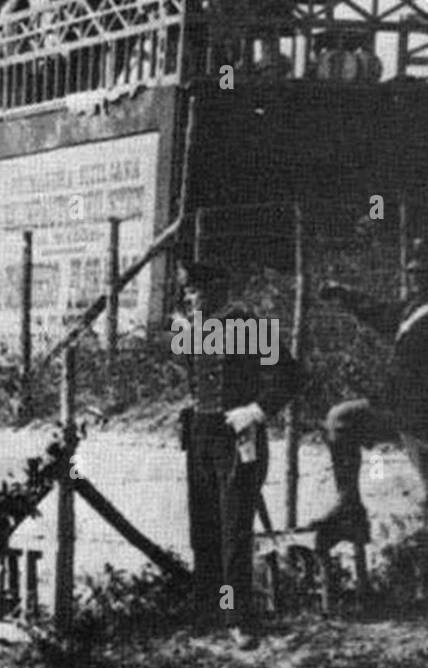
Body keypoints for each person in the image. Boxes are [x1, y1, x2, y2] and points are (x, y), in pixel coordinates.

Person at [175, 261, 301, 645]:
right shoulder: (193, 328)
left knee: (233, 530)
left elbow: (290, 376)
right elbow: (195, 375)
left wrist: (256, 411)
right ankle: (208, 610)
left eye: (195, 291)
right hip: (201, 435)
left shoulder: (242, 323)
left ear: (215, 289)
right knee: (204, 527)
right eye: (186, 292)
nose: (188, 298)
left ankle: (237, 617)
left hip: (236, 435)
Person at [309, 241, 428, 550]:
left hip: (419, 418)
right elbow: (381, 313)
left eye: (423, 273)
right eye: (413, 272)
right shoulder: (415, 308)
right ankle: (350, 511)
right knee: (342, 420)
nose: (415, 279)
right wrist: (343, 294)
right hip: (406, 415)